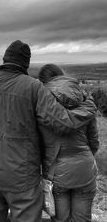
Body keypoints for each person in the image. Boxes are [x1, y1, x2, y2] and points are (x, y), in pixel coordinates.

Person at [0, 40, 97, 222]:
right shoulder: (33, 87)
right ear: (26, 63)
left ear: (5, 59)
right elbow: (63, 122)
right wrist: (88, 107)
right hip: (22, 177)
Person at [38, 64, 99, 222]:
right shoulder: (84, 98)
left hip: (56, 171)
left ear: (43, 81)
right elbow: (94, 141)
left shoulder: (42, 102)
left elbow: (38, 142)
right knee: (82, 218)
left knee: (60, 219)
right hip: (85, 168)